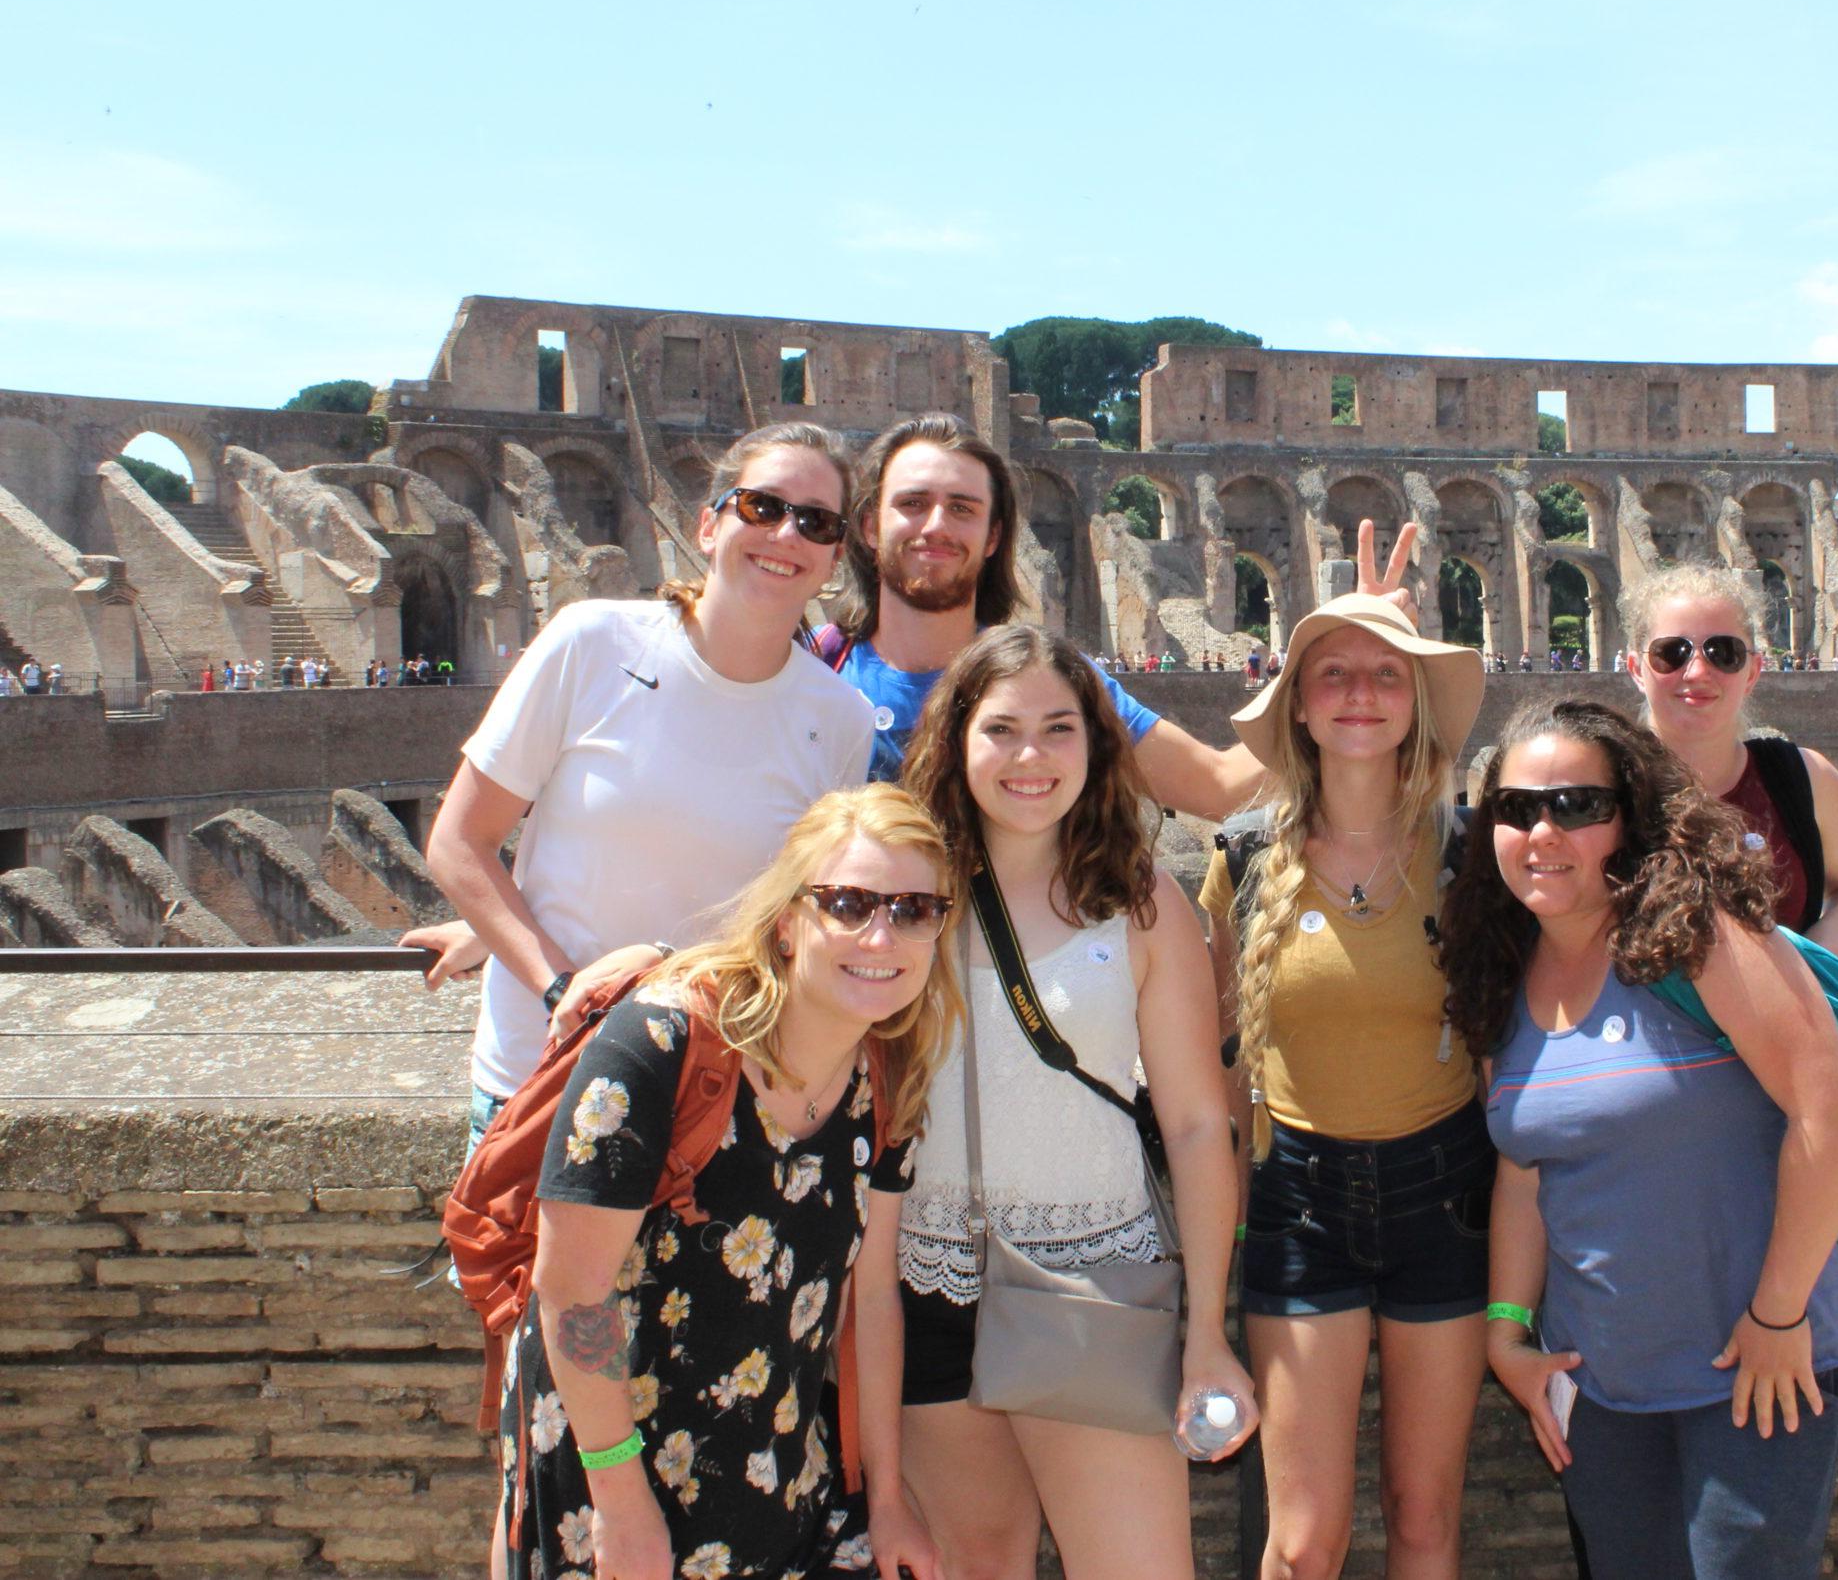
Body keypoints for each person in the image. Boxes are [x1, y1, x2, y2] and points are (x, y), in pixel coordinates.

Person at [1441, 698, 1838, 1580]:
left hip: (1754, 1369)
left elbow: (1830, 1112)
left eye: (1577, 806)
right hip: (1601, 1394)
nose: (1542, 831)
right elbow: (1525, 1167)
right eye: (1517, 809)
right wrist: (1508, 1331)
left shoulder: (1697, 935)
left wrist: (1780, 1312)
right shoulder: (1504, 971)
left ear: (1629, 817)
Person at [498, 782, 959, 1580]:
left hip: (776, 1476)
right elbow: (572, 1290)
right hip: (614, 1467)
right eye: (849, 902)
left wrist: (887, 1493)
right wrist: (622, 1503)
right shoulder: (662, 1044)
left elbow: (871, 1295)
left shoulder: (887, 1069)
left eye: (915, 908)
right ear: (788, 922)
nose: (882, 934)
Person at [404, 421, 877, 1155]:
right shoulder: (591, 642)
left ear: (835, 556)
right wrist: (562, 986)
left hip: (717, 1087)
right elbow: (460, 842)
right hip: (544, 1072)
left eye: (815, 521)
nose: (786, 533)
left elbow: (799, 907)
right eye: (761, 506)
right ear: (708, 522)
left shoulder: (839, 717)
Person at [896, 624, 1255, 1578]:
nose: (1030, 756)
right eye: (1002, 728)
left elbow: (1193, 1123)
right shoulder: (898, 895)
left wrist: (1209, 1332)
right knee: (977, 1565)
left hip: (1090, 1278)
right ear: (956, 740)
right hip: (924, 1282)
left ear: (1097, 746)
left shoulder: (1139, 903)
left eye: (1059, 728)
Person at [1204, 594, 1489, 1579]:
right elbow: (1216, 1076)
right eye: (1333, 671)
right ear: (1297, 705)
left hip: (1445, 1192)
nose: (1359, 693)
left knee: (1422, 1517)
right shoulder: (1240, 859)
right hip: (1298, 1201)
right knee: (1303, 1539)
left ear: (1415, 701)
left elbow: (1511, 1058)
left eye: (1385, 672)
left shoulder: (1471, 858)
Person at [822, 413, 1368, 819]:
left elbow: (1221, 787)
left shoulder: (1055, 681)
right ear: (869, 526)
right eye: (912, 503)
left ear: (993, 537)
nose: (936, 525)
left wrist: (1352, 647)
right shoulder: (810, 669)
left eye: (962, 507)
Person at [1629, 566, 1838, 964]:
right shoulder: (1599, 786)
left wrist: (1829, 937)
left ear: (1752, 671)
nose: (1698, 672)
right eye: (1671, 653)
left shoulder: (1804, 778)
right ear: (1636, 669)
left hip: (1779, 1021)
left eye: (1725, 653)